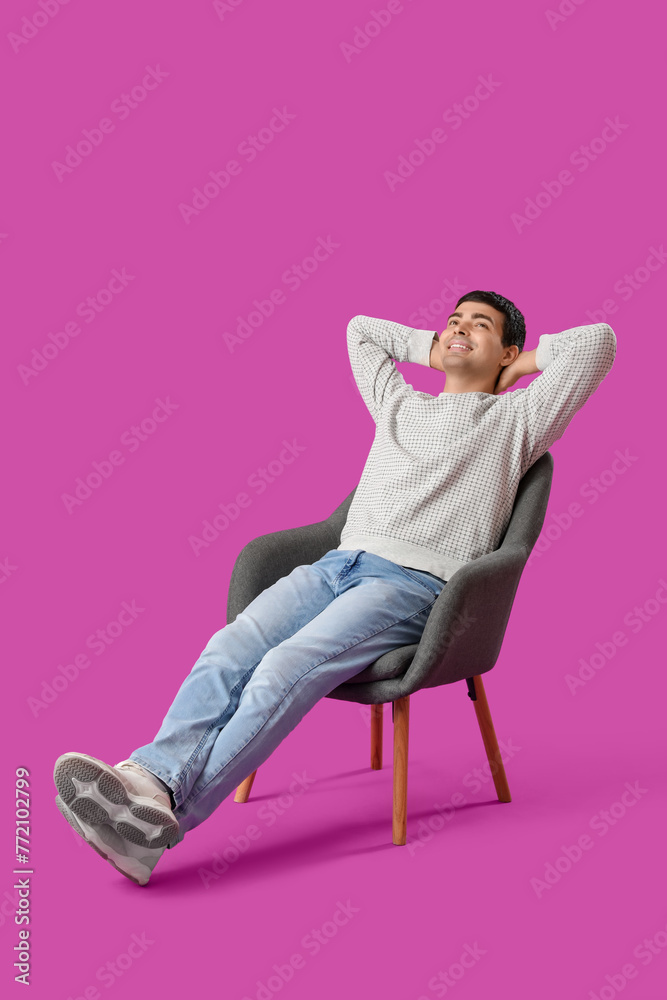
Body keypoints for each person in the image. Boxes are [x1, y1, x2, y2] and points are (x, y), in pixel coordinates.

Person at [53, 290, 617, 885]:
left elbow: (596, 345)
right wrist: (438, 347)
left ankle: (164, 818)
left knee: (282, 669)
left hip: (412, 585)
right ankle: (149, 780)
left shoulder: (517, 421)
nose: (458, 329)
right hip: (334, 566)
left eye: (480, 326)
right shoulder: (397, 402)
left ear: (507, 348)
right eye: (452, 321)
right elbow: (360, 332)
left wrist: (517, 367)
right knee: (230, 646)